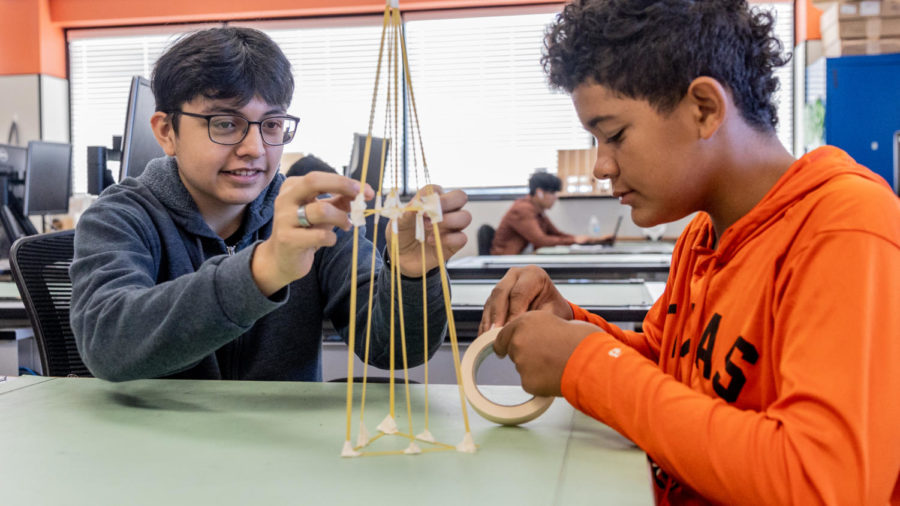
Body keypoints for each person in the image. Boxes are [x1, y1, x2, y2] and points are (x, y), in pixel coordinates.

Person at [480, 0, 900, 504]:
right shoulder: (705, 233)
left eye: (614, 135)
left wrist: (586, 363)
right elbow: (667, 371)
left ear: (704, 109)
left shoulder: (845, 226)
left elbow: (821, 484)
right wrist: (572, 324)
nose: (600, 166)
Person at [70, 26, 471, 382]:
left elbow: (394, 352)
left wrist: (413, 277)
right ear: (166, 131)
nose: (254, 148)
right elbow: (107, 347)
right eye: (225, 123)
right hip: (158, 450)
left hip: (284, 452)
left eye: (272, 125)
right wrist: (263, 270)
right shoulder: (119, 216)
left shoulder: (314, 217)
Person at [490, 171, 611, 254]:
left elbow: (556, 234)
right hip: (504, 263)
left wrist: (589, 240)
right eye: (552, 193)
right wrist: (574, 240)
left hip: (518, 260)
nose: (555, 197)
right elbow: (541, 241)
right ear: (539, 192)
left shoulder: (537, 210)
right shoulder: (522, 210)